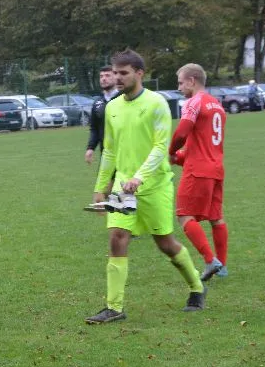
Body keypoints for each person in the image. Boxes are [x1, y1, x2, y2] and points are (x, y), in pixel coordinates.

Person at [85, 50, 206, 325]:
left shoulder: (156, 103)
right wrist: (101, 186)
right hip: (122, 186)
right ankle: (114, 307)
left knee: (165, 243)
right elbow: (110, 150)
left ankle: (197, 287)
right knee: (117, 237)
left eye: (124, 73)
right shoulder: (112, 107)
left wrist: (139, 177)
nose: (118, 78)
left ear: (139, 73)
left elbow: (161, 146)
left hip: (154, 185)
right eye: (115, 73)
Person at [169, 64, 230, 280]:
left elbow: (181, 133)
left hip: (198, 170)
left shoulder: (193, 102)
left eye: (180, 83)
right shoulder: (217, 105)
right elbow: (203, 145)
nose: (179, 88)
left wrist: (171, 152)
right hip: (216, 168)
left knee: (184, 215)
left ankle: (210, 260)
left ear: (192, 81)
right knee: (216, 218)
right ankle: (222, 266)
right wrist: (179, 158)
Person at [85, 66, 120, 165]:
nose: (104, 79)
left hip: (124, 153)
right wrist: (90, 148)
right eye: (101, 76)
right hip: (106, 153)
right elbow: (94, 128)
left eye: (108, 75)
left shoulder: (124, 98)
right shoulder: (97, 103)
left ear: (116, 77)